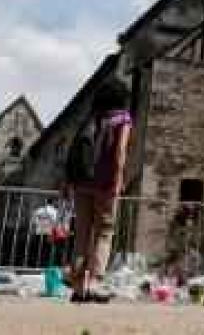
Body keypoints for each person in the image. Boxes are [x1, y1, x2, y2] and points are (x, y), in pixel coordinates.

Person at [68, 80, 132, 302]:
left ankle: (77, 287)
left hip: (82, 182)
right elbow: (120, 152)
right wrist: (118, 178)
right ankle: (94, 282)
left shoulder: (92, 117)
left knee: (82, 234)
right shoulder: (122, 119)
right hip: (105, 183)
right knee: (104, 231)